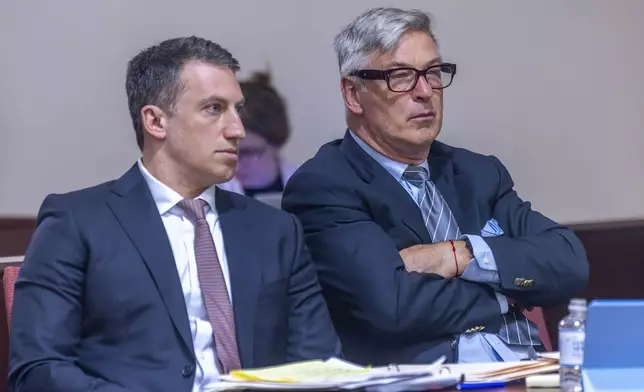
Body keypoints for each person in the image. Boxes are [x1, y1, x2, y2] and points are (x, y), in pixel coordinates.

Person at [8, 36, 341, 392]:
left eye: (236, 109)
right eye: (214, 108)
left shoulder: (277, 230)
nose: (237, 130)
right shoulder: (78, 222)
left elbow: (318, 363)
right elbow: (38, 369)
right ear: (155, 121)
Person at [282, 7, 589, 366]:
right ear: (353, 93)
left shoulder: (476, 172)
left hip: (533, 370)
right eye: (401, 76)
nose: (425, 91)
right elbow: (392, 306)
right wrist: (503, 292)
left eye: (433, 72)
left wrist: (458, 255)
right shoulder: (325, 186)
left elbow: (570, 262)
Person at [218, 71, 297, 199]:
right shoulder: (204, 195)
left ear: (276, 143)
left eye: (247, 153)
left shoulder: (314, 188)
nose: (235, 166)